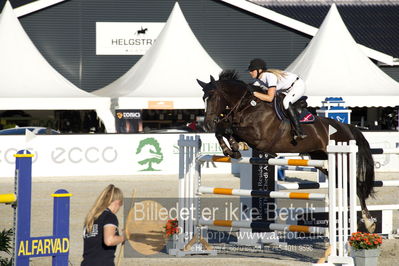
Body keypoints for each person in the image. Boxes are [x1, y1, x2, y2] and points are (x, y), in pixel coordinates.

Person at [247, 58, 307, 140]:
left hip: (297, 86)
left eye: (252, 70)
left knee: (286, 102)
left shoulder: (269, 76)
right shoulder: (260, 80)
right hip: (287, 89)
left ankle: (299, 131)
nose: (250, 72)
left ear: (259, 70)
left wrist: (254, 93)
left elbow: (269, 98)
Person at [81, 184, 126, 266]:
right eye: (120, 205)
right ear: (117, 202)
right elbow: (109, 241)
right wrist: (124, 237)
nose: (119, 208)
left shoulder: (91, 217)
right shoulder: (110, 216)